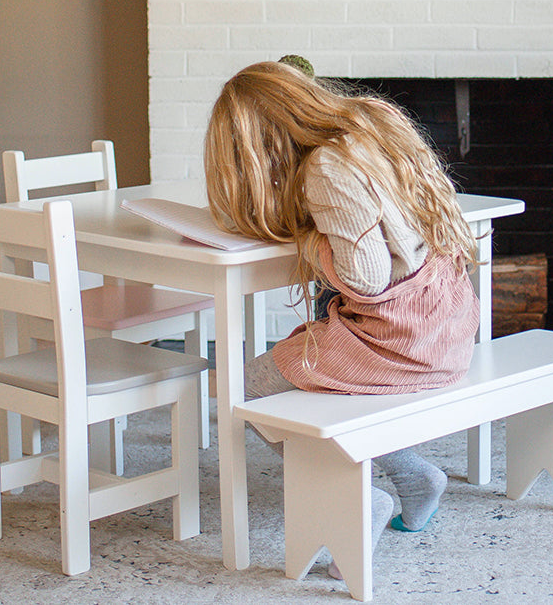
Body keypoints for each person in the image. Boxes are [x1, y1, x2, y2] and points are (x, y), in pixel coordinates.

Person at [203, 59, 480, 578]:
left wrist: (307, 239)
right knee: (299, 369)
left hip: (398, 341)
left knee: (244, 386)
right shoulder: (371, 124)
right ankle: (415, 477)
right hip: (444, 327)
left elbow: (368, 278)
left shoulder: (326, 168)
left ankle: (354, 501)